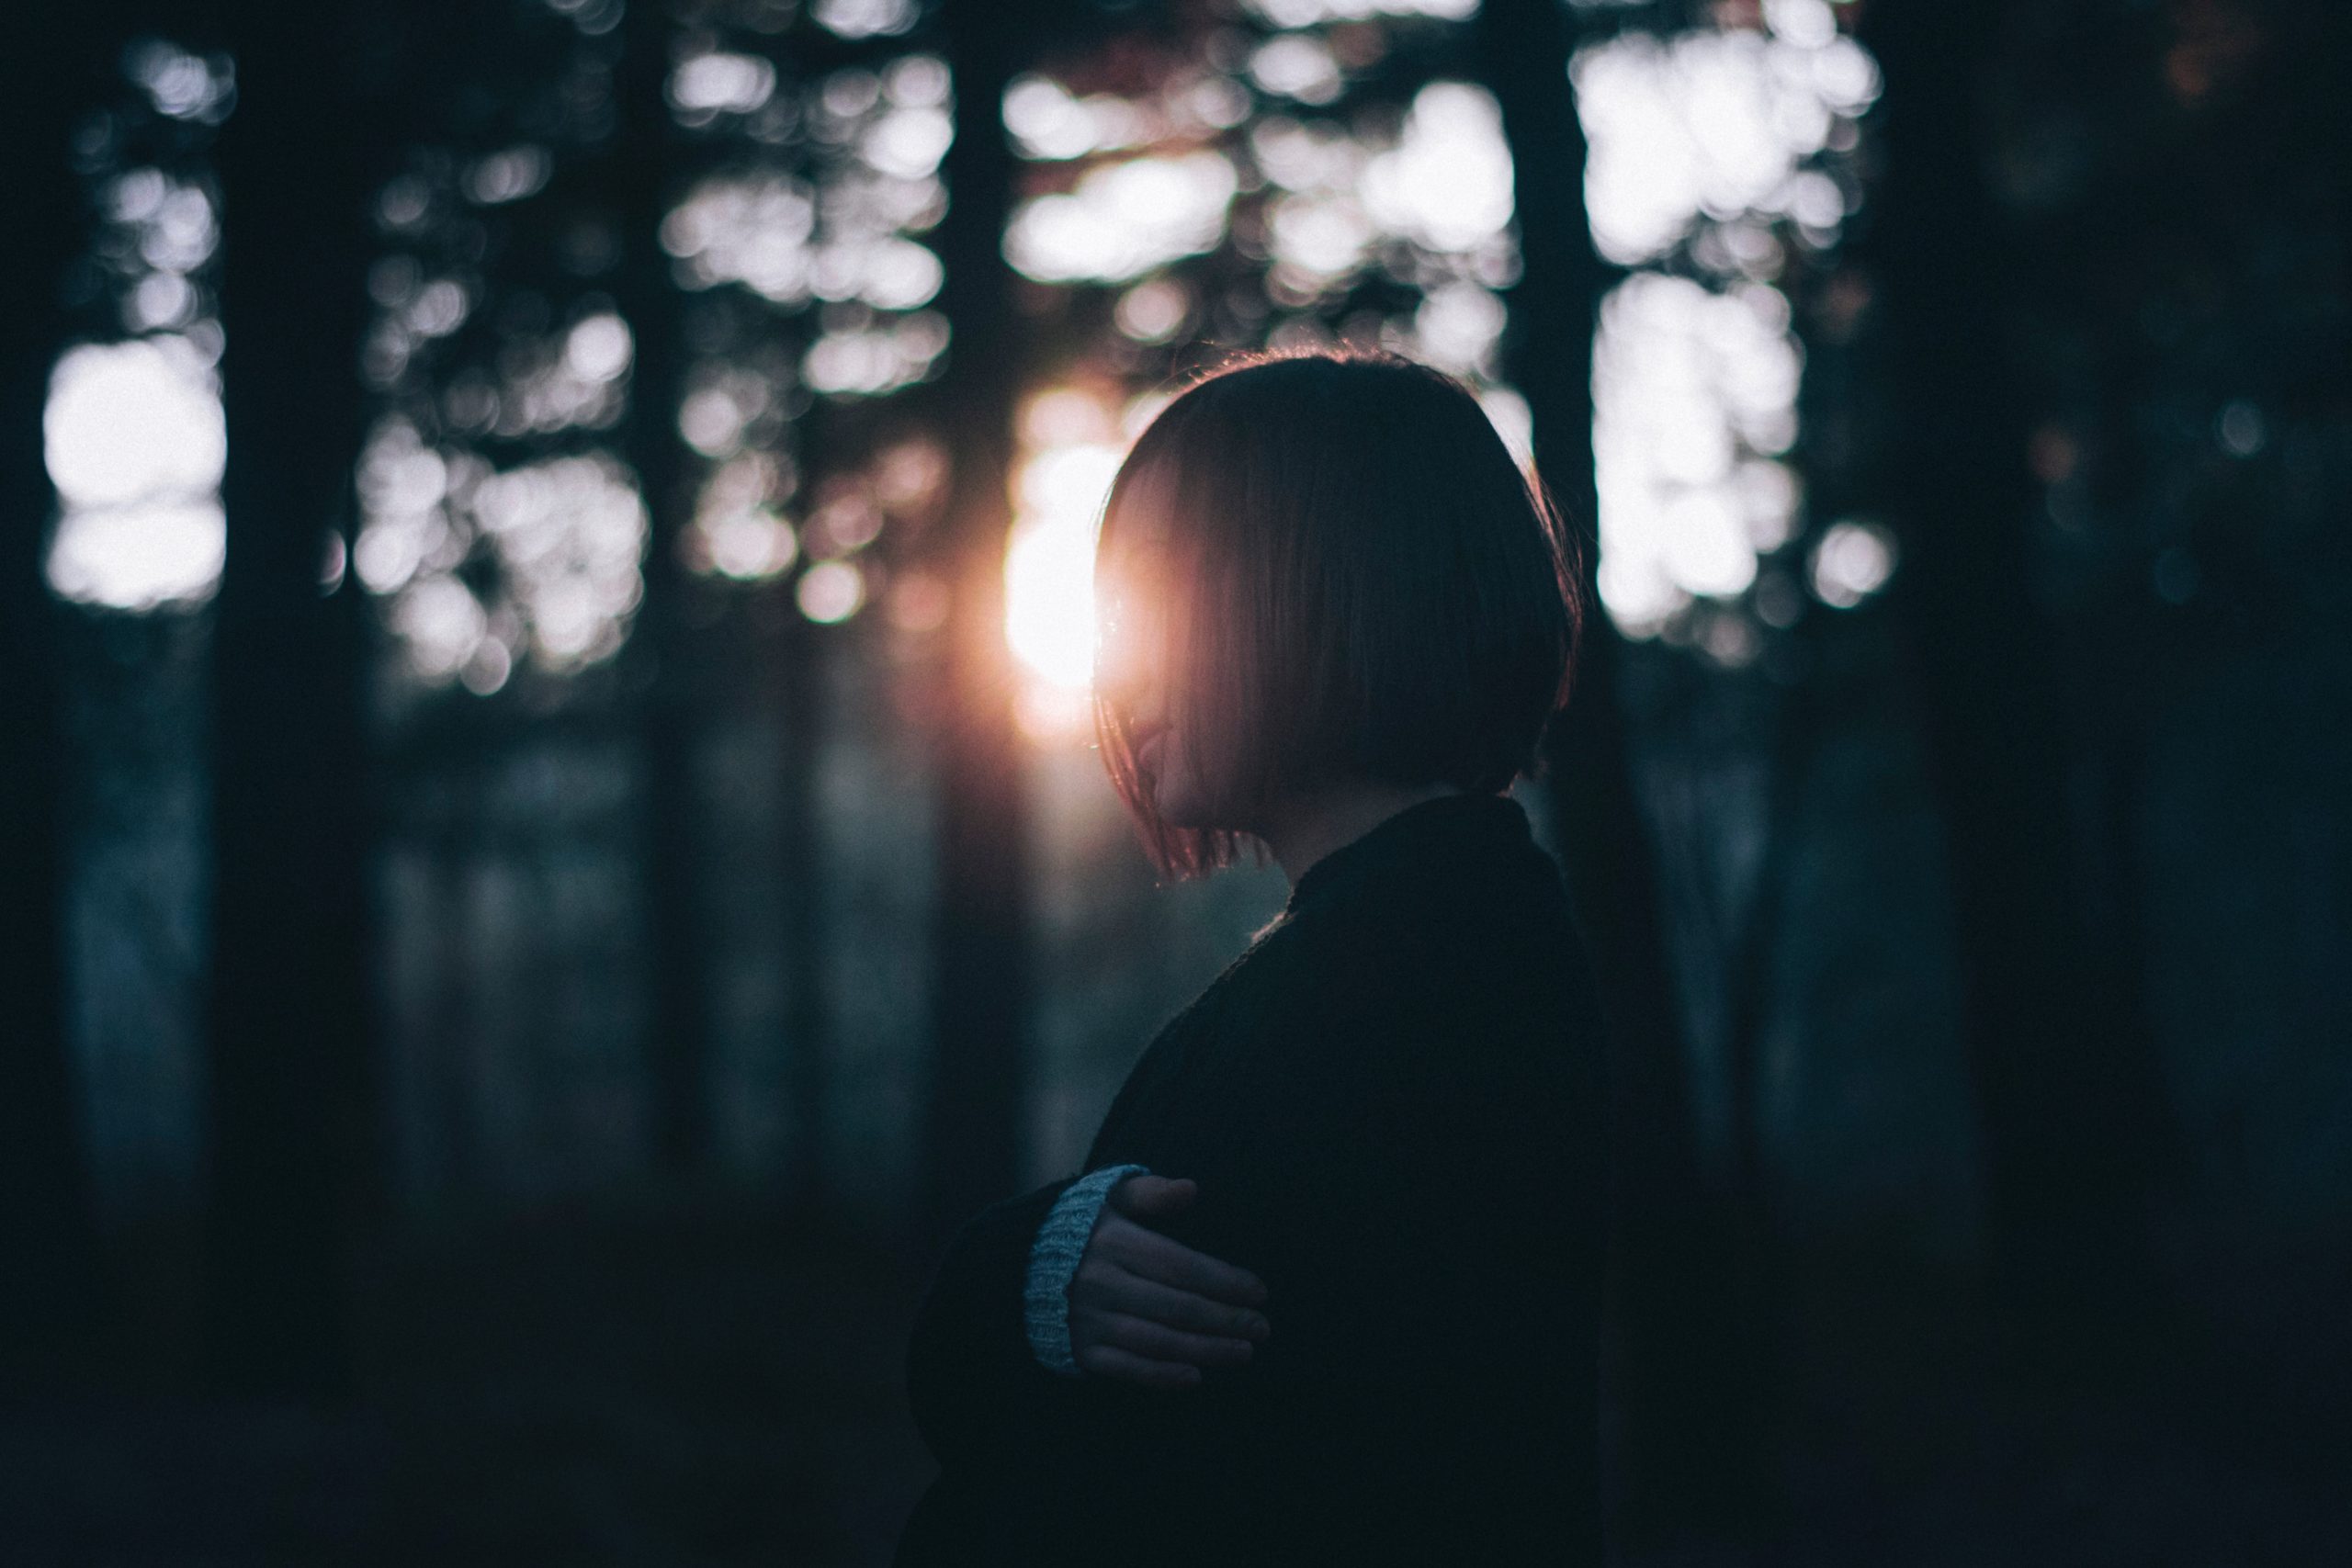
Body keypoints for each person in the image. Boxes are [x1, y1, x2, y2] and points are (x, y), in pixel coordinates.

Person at [894, 349, 1608, 1565]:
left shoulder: (1388, 993)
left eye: (1160, 596)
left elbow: (1150, 1487)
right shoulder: (1421, 943)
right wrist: (1029, 1278)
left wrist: (1008, 1289)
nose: (1118, 666)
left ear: (1325, 595)